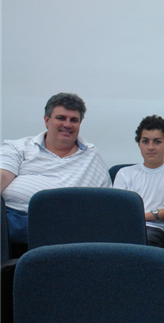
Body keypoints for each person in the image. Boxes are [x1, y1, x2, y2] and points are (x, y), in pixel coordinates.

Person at [0, 92, 111, 244]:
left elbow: (103, 206)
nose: (67, 124)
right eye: (61, 118)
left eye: (74, 120)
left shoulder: (92, 156)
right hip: (12, 219)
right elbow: (2, 178)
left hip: (66, 227)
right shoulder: (18, 148)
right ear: (47, 120)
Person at [113, 115, 164, 247]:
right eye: (145, 141)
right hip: (128, 229)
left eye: (157, 142)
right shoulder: (125, 174)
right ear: (139, 144)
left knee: (145, 241)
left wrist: (148, 216)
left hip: (159, 231)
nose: (150, 147)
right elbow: (118, 211)